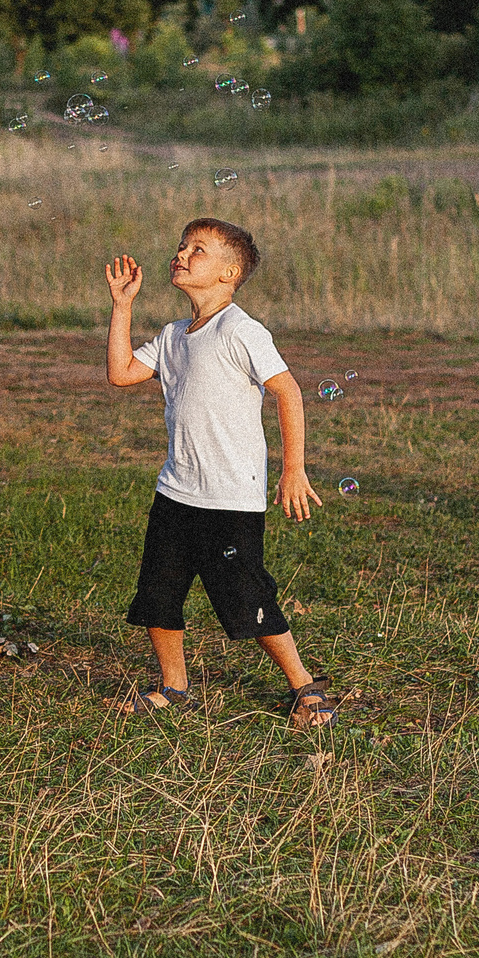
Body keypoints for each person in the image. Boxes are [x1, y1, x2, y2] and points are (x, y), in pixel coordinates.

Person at [104, 219, 338, 725]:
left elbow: (289, 393)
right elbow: (122, 374)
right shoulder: (171, 336)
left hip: (230, 499)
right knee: (157, 595)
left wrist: (292, 469)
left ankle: (303, 684)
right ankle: (173, 685)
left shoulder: (242, 331)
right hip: (175, 493)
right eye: (181, 247)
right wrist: (123, 306)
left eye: (199, 250)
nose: (182, 255)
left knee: (245, 598)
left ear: (229, 273)